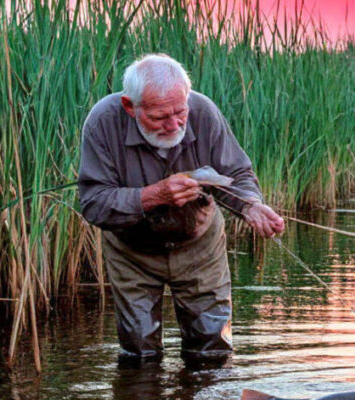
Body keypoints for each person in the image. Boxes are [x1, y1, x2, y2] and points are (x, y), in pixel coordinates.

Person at [78, 54, 284, 365]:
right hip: (132, 251)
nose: (174, 125)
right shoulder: (102, 122)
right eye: (159, 117)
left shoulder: (204, 112)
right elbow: (94, 203)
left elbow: (237, 174)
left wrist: (251, 206)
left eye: (180, 112)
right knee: (139, 352)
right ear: (130, 107)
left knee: (212, 350)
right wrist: (154, 195)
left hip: (200, 247)